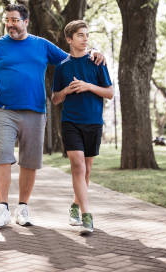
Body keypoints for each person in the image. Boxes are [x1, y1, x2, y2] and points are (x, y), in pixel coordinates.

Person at [0, 4, 104, 228]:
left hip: (35, 111)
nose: (10, 24)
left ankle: (23, 207)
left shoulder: (41, 45)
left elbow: (71, 59)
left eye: (15, 20)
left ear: (25, 22)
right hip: (3, 109)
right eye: (7, 20)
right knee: (2, 155)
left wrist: (94, 53)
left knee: (29, 161)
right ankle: (2, 208)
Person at [51, 20, 113, 234]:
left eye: (87, 35)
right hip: (71, 122)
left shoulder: (97, 62)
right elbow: (55, 99)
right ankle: (87, 216)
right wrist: (66, 90)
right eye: (80, 35)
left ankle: (75, 206)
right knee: (78, 166)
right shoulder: (62, 67)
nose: (85, 38)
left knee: (86, 171)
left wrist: (88, 86)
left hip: (93, 122)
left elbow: (110, 93)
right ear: (69, 39)